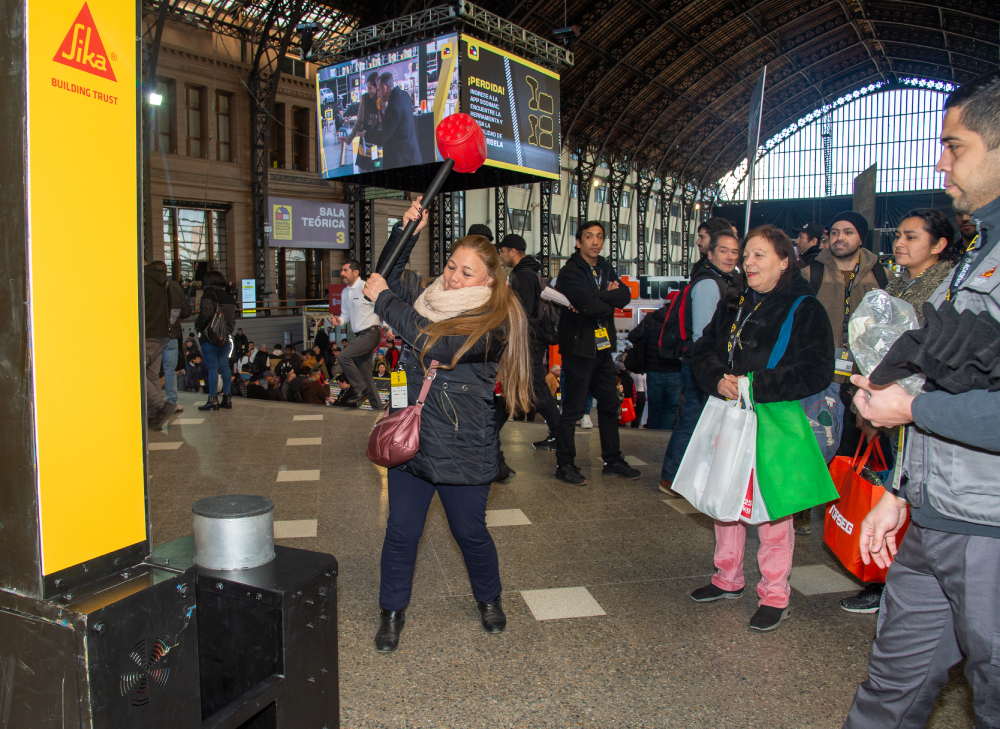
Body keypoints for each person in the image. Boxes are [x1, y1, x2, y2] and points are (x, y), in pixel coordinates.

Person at [843, 71, 1000, 729]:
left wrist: (910, 410)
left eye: (954, 146)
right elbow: (951, 378)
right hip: (937, 517)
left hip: (991, 534)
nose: (940, 161)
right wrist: (903, 491)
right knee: (888, 696)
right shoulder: (977, 250)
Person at [362, 196, 533, 653]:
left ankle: (489, 598)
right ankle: (391, 611)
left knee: (470, 534)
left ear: (490, 280)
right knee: (401, 532)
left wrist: (382, 299)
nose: (453, 277)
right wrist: (405, 233)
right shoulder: (428, 300)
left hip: (463, 445)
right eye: (452, 266)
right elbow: (388, 280)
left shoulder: (494, 320)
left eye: (466, 272)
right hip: (413, 438)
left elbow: (433, 343)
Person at [688, 225, 834, 632]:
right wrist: (717, 377)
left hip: (775, 420)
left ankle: (774, 593)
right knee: (725, 499)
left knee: (772, 510)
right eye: (745, 255)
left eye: (759, 256)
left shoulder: (804, 307)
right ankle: (727, 578)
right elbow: (702, 348)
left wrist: (757, 384)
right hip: (730, 413)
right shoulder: (735, 301)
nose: (747, 262)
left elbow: (817, 370)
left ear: (785, 262)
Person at [837, 208, 960, 616]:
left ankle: (903, 584)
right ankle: (887, 577)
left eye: (912, 237)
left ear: (939, 245)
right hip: (890, 406)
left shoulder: (949, 288)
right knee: (891, 489)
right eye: (899, 236)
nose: (900, 244)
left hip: (921, 411)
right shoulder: (902, 283)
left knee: (909, 492)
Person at [553, 221, 642, 485]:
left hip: (602, 349)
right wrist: (605, 299)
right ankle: (565, 464)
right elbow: (587, 305)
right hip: (578, 349)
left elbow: (624, 296)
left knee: (609, 404)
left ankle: (612, 460)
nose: (595, 241)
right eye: (589, 237)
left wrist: (598, 299)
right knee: (574, 409)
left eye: (599, 237)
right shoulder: (570, 271)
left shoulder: (604, 266)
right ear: (578, 242)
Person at [801, 211, 890, 460]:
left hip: (862, 378)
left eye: (848, 232)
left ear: (861, 238)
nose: (840, 238)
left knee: (852, 452)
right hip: (819, 376)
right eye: (836, 232)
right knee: (817, 449)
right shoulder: (811, 274)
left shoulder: (881, 276)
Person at [659, 229, 741, 495]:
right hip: (702, 365)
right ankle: (671, 477)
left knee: (702, 421)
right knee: (693, 419)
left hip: (707, 364)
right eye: (723, 251)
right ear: (710, 253)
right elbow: (703, 335)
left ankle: (684, 477)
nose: (730, 257)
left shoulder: (725, 281)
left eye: (734, 251)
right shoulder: (709, 284)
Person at [498, 232, 563, 451]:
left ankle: (559, 433)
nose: (501, 256)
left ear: (512, 252)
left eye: (503, 251)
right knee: (523, 388)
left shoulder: (522, 276)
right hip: (533, 340)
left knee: (536, 389)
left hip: (529, 342)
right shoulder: (530, 273)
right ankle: (558, 433)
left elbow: (521, 313)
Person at [330, 259, 384, 410]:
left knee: (342, 356)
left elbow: (381, 306)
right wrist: (338, 320)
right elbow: (345, 315)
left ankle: (360, 388)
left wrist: (386, 327)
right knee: (366, 374)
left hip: (371, 334)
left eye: (345, 270)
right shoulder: (345, 292)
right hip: (359, 336)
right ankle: (378, 409)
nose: (342, 273)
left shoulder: (365, 287)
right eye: (342, 270)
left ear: (356, 272)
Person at [630, 301, 682, 430]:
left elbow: (633, 336)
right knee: (670, 408)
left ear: (664, 305)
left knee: (655, 407)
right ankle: (663, 438)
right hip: (674, 370)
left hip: (653, 369)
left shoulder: (651, 318)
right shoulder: (682, 319)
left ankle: (652, 438)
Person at [143, 260, 180, 429]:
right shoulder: (165, 283)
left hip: (147, 333)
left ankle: (159, 406)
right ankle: (154, 417)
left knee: (137, 373)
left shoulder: (142, 281)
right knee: (152, 375)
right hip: (163, 334)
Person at [195, 270, 237, 411]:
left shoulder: (208, 295)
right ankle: (227, 397)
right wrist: (228, 331)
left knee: (212, 367)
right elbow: (232, 319)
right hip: (225, 336)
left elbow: (205, 314)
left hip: (210, 337)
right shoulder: (229, 297)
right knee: (224, 366)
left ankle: (213, 399)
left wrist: (198, 327)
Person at [369, 71, 421, 168]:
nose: (379, 95)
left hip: (404, 160)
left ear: (384, 88)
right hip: (412, 155)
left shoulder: (394, 107)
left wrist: (365, 134)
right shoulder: (405, 95)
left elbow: (383, 137)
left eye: (379, 90)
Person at [164, 267, 192, 416]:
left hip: (153, 334)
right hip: (173, 334)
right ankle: (171, 401)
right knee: (170, 369)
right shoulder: (175, 287)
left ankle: (152, 403)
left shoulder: (146, 284)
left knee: (150, 370)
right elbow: (187, 311)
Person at [347, 72, 381, 145]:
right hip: (365, 142)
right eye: (367, 88)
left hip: (377, 142)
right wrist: (349, 139)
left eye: (370, 88)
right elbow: (359, 121)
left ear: (377, 87)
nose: (368, 91)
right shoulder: (365, 98)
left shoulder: (382, 100)